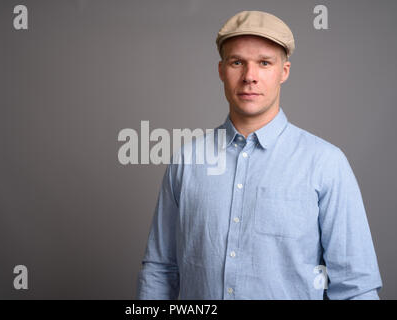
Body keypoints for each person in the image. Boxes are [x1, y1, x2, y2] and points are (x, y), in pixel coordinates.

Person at [136, 10, 382, 299]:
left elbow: (355, 288)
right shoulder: (186, 162)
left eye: (264, 63)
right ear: (221, 70)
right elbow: (161, 271)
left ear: (284, 71)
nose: (249, 77)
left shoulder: (326, 163)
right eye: (237, 62)